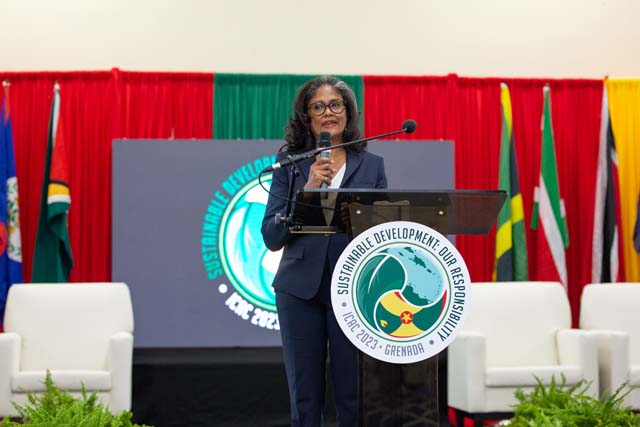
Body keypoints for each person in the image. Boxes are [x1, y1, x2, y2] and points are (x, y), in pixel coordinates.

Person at [261, 76, 387, 427]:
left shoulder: (373, 165)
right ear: (307, 116)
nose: (328, 112)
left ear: (348, 113)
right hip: (299, 290)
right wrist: (309, 186)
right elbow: (272, 235)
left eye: (335, 105)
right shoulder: (290, 162)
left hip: (354, 289)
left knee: (352, 392)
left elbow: (379, 231)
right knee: (305, 395)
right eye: (318, 106)